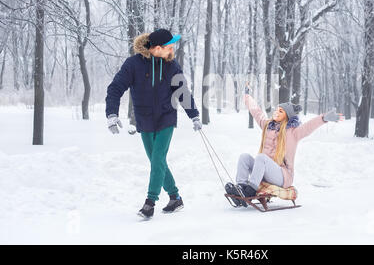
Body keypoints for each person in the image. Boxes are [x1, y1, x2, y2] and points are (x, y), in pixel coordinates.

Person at [105, 28, 202, 219]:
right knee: (157, 161)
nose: (172, 50)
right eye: (169, 46)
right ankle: (175, 197)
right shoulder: (133, 64)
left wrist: (194, 116)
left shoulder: (172, 66)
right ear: (157, 48)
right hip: (144, 119)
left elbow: (182, 92)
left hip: (166, 117)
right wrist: (111, 114)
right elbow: (115, 88)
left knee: (157, 159)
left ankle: (150, 203)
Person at [225, 83, 343, 207]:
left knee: (261, 157)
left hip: (283, 175)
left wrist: (323, 118)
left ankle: (249, 192)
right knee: (244, 157)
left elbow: (308, 127)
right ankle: (241, 188)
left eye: (280, 111)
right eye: (276, 110)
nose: (276, 112)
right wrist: (247, 96)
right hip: (265, 170)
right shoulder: (267, 126)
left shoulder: (293, 132)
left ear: (286, 115)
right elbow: (257, 112)